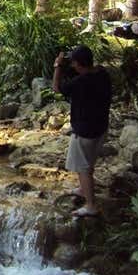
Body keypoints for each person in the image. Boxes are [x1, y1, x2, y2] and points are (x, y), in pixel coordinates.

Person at [52, 45, 112, 218]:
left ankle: (91, 205)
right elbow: (84, 74)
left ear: (78, 64)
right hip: (100, 128)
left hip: (84, 132)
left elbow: (57, 88)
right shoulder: (102, 74)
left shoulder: (81, 82)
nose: (72, 66)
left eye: (74, 63)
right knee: (89, 163)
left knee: (82, 168)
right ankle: (83, 189)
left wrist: (57, 66)